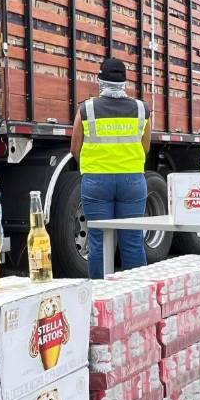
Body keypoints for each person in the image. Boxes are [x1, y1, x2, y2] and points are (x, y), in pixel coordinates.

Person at [70, 58, 151, 279]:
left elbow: (75, 148)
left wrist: (94, 164)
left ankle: (99, 292)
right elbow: (145, 147)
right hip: (132, 181)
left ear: (100, 81)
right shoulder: (141, 109)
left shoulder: (86, 109)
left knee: (98, 241)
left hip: (96, 181)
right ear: (125, 82)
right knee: (132, 240)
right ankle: (137, 292)